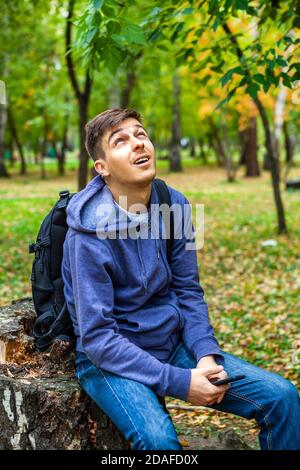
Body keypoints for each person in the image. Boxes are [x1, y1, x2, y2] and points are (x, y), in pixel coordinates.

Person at [62, 108, 300, 450]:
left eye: (141, 135)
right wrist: (180, 382)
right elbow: (98, 338)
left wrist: (204, 354)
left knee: (282, 397)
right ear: (103, 168)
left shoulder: (177, 205)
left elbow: (188, 290)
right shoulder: (86, 234)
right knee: (159, 443)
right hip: (109, 359)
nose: (138, 145)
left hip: (172, 344)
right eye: (121, 141)